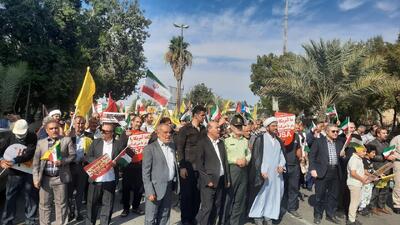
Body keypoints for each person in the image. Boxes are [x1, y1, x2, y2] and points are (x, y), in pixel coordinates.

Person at [32, 118, 76, 225]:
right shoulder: (41, 143)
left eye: (56, 128)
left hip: (60, 178)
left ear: (59, 128)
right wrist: (36, 179)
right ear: (47, 131)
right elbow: (35, 163)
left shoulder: (66, 140)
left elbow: (73, 155)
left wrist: (63, 161)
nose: (54, 130)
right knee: (44, 205)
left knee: (61, 205)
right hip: (45, 179)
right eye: (51, 129)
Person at [85, 123, 125, 225]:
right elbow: (88, 157)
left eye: (105, 132)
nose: (102, 133)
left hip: (110, 180)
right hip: (95, 180)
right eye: (102, 130)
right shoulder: (96, 142)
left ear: (112, 133)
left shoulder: (118, 144)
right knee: (91, 205)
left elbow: (124, 160)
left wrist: (116, 163)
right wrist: (101, 161)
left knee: (107, 206)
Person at [248, 117, 285, 225]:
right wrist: (261, 171)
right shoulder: (260, 139)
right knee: (261, 195)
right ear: (267, 127)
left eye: (276, 126)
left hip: (276, 174)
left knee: (273, 195)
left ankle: (269, 215)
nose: (275, 128)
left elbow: (281, 155)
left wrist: (281, 165)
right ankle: (257, 215)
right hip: (264, 174)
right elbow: (256, 157)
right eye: (273, 126)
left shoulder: (278, 140)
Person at [0, 119, 38, 225]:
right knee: (10, 197)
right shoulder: (9, 136)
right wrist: (1, 161)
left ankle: (30, 221)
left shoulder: (32, 136)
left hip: (28, 171)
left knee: (30, 197)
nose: (20, 136)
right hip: (13, 173)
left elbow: (29, 154)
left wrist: (14, 160)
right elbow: (1, 150)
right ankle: (7, 221)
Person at [142, 124, 180, 225]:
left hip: (168, 186)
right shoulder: (150, 149)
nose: (168, 135)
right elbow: (145, 173)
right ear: (158, 134)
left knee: (164, 216)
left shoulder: (172, 145)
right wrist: (149, 191)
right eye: (165, 132)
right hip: (155, 188)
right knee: (150, 218)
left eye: (170, 132)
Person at [176, 105, 207, 225]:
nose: (204, 117)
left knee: (197, 194)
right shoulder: (185, 129)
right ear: (195, 115)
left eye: (204, 115)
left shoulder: (203, 129)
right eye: (202, 115)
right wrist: (182, 166)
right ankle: (185, 219)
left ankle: (193, 216)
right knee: (187, 195)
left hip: (201, 167)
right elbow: (180, 148)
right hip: (188, 167)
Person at [196, 121, 230, 225]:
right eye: (217, 128)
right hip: (208, 182)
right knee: (207, 208)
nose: (219, 129)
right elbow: (199, 164)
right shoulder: (202, 143)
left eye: (219, 128)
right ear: (209, 129)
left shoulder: (220, 143)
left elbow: (225, 162)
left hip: (220, 180)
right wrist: (207, 180)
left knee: (217, 207)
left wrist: (227, 179)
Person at [309, 124, 344, 224]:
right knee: (320, 195)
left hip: (336, 172)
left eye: (337, 131)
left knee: (333, 195)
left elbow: (343, 158)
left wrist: (343, 156)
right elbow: (312, 156)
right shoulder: (319, 142)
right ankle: (318, 215)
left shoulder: (340, 143)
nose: (336, 133)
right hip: (322, 171)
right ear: (327, 132)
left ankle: (330, 214)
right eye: (333, 131)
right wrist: (312, 169)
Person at [222, 115, 251, 225]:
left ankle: (234, 222)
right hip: (232, 170)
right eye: (237, 126)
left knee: (240, 198)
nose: (239, 128)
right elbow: (224, 157)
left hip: (243, 171)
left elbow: (248, 153)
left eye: (240, 126)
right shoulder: (226, 140)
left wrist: (246, 160)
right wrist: (235, 160)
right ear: (232, 127)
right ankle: (225, 221)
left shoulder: (245, 140)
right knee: (229, 198)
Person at [67, 116, 93, 221]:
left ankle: (78, 213)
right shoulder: (68, 135)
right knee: (68, 192)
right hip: (70, 167)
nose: (80, 125)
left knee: (80, 192)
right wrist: (65, 138)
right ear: (74, 124)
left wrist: (86, 158)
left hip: (83, 168)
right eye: (78, 123)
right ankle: (69, 212)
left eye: (82, 123)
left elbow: (93, 151)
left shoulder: (90, 136)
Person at [120, 116, 145, 217]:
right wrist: (126, 136)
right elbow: (121, 147)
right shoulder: (125, 133)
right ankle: (125, 208)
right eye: (137, 122)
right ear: (132, 122)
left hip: (140, 164)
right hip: (128, 164)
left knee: (138, 188)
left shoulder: (143, 134)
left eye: (140, 122)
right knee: (126, 187)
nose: (138, 124)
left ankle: (135, 207)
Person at [367, 127, 395, 215]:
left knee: (385, 190)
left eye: (386, 133)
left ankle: (381, 206)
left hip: (387, 169)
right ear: (378, 134)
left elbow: (390, 154)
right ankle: (372, 207)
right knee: (376, 190)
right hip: (377, 169)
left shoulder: (387, 143)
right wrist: (384, 157)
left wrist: (392, 157)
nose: (386, 135)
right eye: (384, 133)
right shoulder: (372, 143)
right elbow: (371, 156)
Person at [282, 125, 303, 218]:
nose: (295, 129)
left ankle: (292, 208)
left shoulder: (296, 136)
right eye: (294, 127)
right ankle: (279, 207)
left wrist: (301, 157)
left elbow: (298, 148)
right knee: (282, 188)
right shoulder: (280, 135)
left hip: (294, 166)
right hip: (282, 166)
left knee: (294, 188)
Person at [347, 145, 369, 225]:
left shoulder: (359, 159)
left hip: (358, 183)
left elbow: (361, 172)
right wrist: (362, 179)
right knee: (354, 202)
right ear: (358, 151)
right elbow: (353, 173)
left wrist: (369, 177)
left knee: (356, 202)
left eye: (365, 151)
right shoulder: (354, 159)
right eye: (363, 151)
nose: (365, 153)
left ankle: (352, 218)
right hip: (354, 183)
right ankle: (351, 220)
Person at [358, 145, 377, 216]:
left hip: (370, 181)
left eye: (375, 153)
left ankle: (364, 207)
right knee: (363, 195)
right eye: (373, 153)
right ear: (367, 153)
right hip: (365, 181)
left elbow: (371, 170)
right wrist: (373, 176)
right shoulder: (365, 160)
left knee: (368, 195)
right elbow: (365, 171)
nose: (374, 155)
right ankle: (361, 208)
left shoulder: (370, 161)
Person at [389, 134, 400, 214]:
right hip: (398, 162)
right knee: (398, 184)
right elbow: (390, 151)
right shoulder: (396, 138)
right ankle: (397, 204)